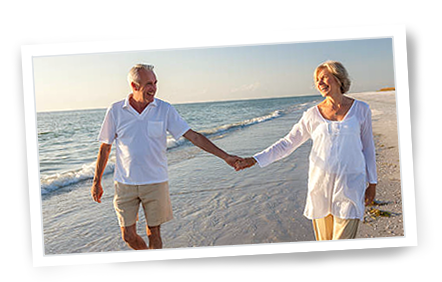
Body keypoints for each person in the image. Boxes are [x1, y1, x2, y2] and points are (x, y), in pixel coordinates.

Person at [91, 64, 242, 250]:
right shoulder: (115, 111)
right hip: (124, 184)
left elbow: (193, 136)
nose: (153, 88)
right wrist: (96, 181)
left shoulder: (164, 109)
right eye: (148, 84)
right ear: (134, 86)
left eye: (155, 83)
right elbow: (105, 147)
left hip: (156, 182)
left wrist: (225, 156)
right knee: (128, 236)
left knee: (154, 233)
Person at [235, 61, 377, 241]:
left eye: (324, 77)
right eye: (317, 80)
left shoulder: (361, 109)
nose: (320, 82)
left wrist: (372, 183)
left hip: (350, 186)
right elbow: (287, 144)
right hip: (320, 188)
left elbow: (368, 148)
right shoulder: (311, 114)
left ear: (339, 78)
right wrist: (254, 159)